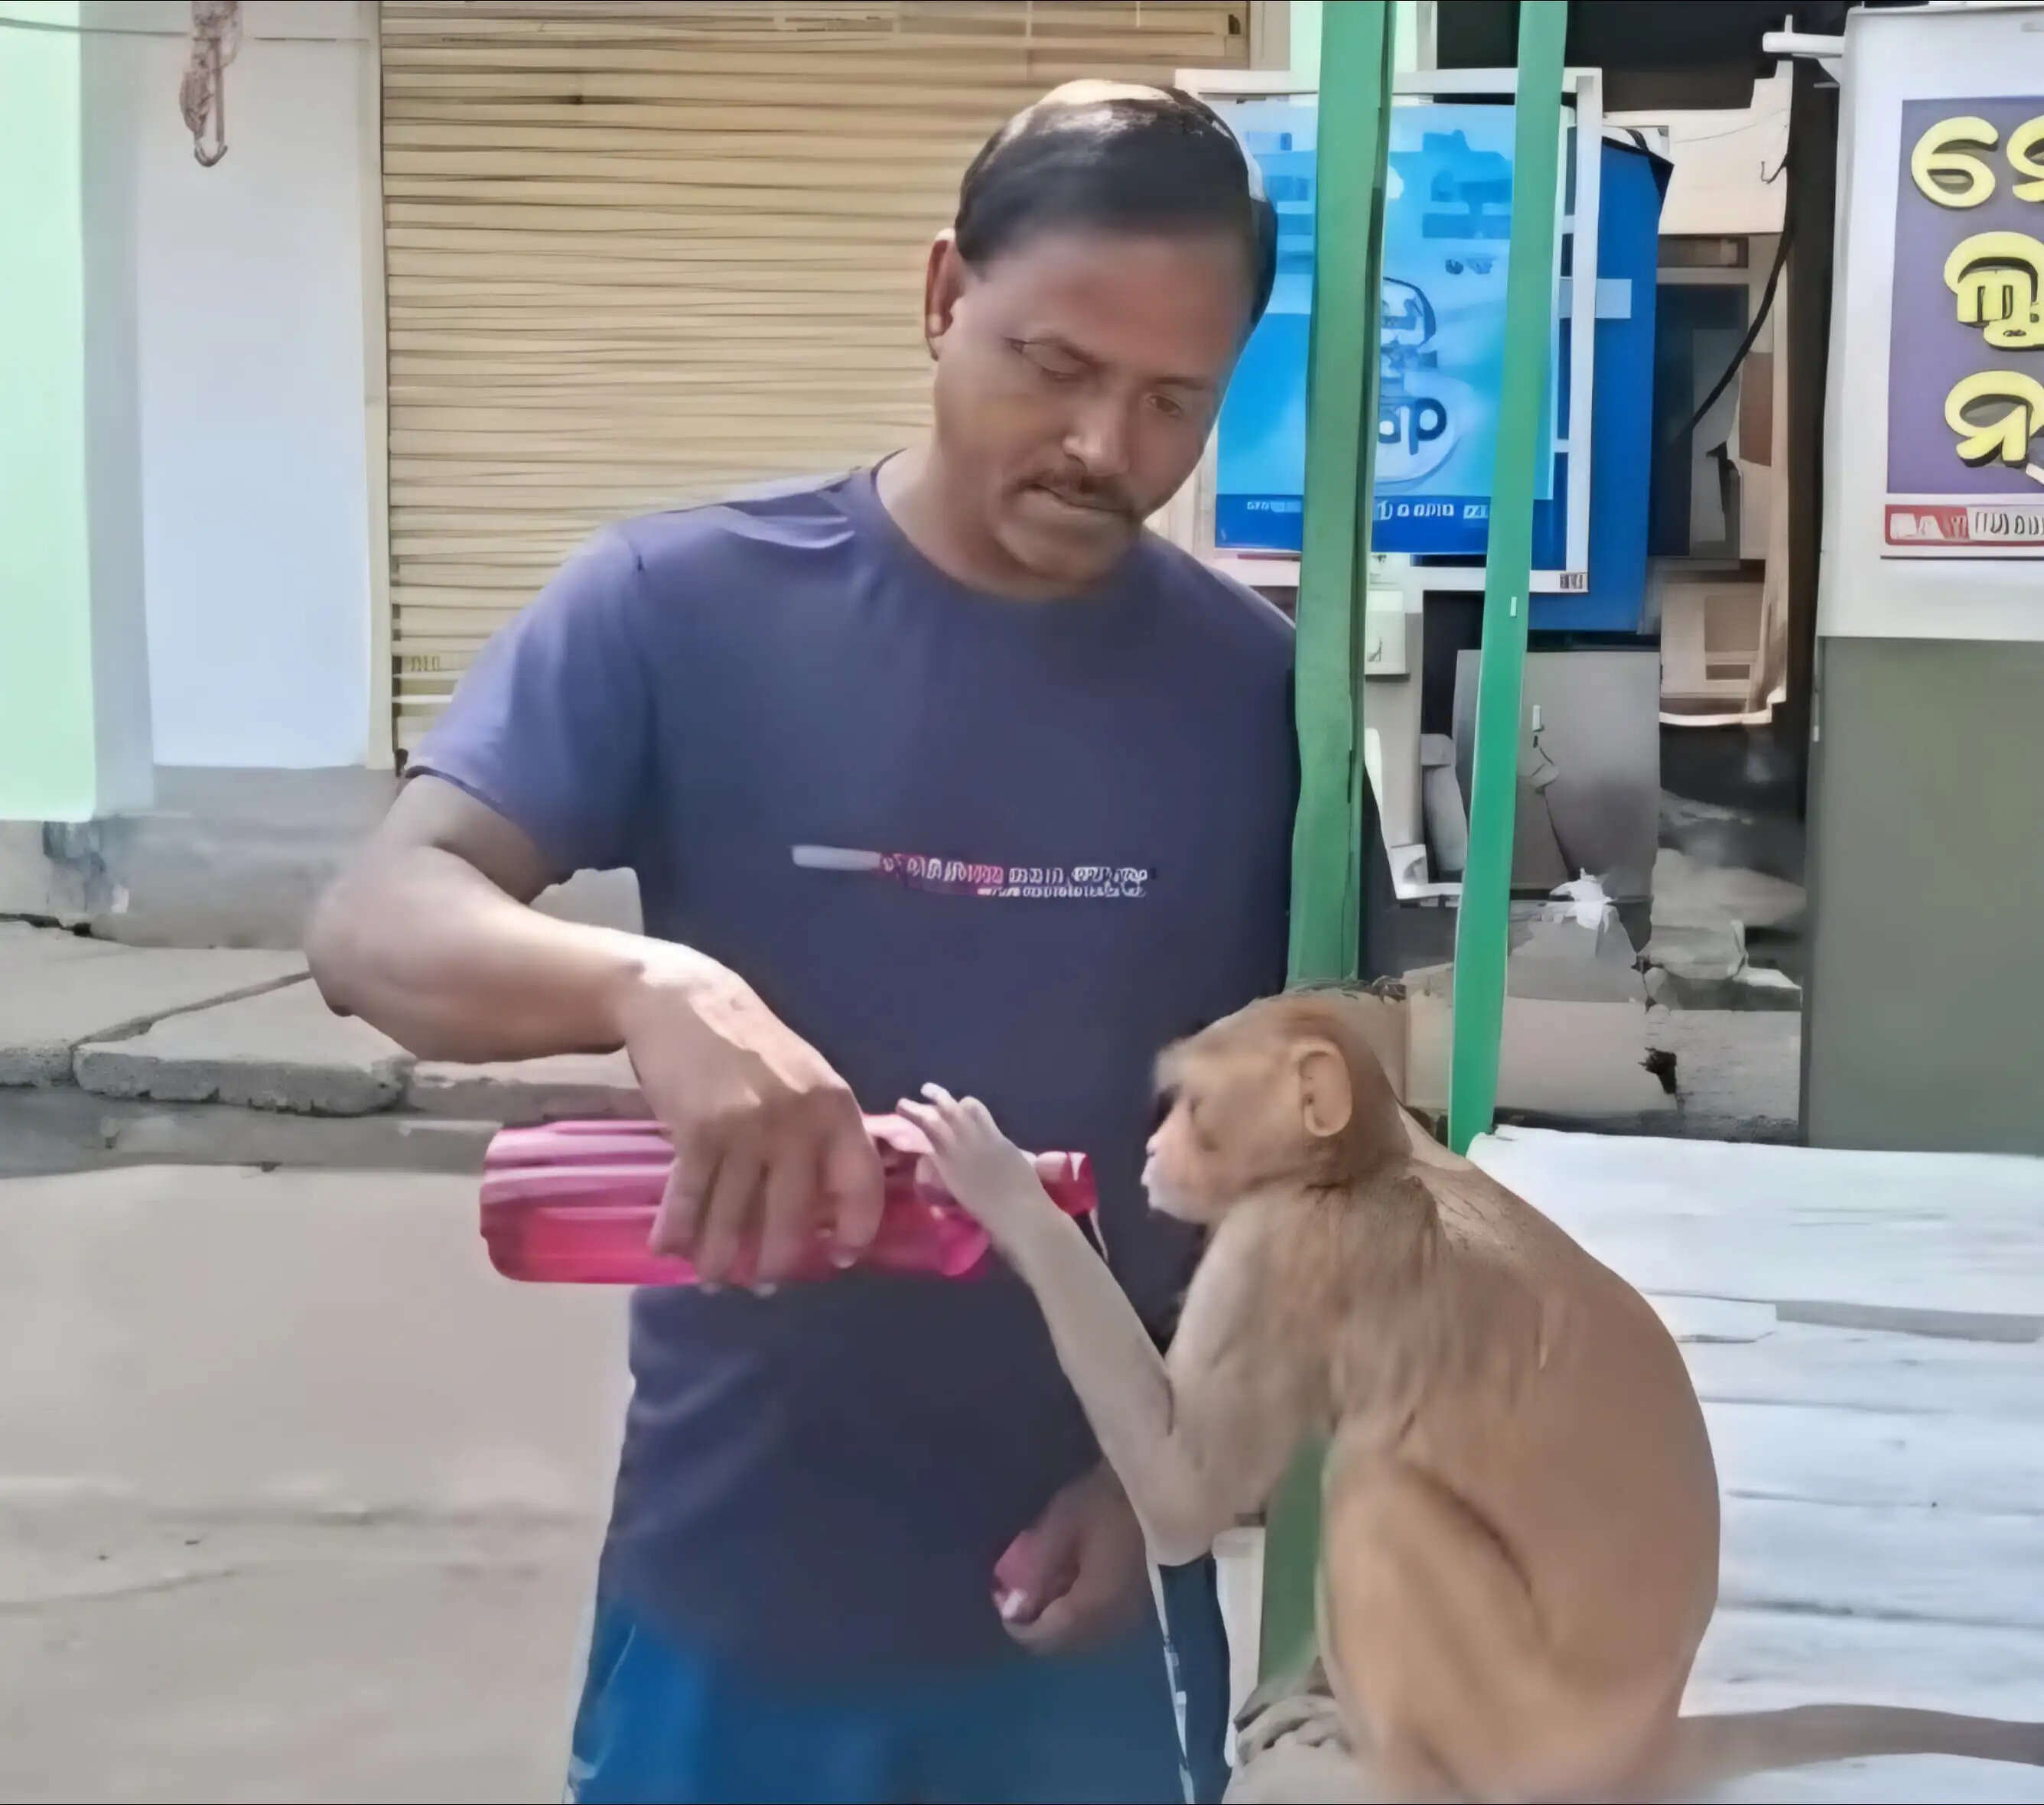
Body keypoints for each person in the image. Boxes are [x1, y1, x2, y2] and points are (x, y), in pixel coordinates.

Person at [310, 80, 1297, 1805]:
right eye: (1054, 366)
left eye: (1173, 401)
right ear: (941, 295)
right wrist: (646, 984)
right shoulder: (684, 607)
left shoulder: (1258, 697)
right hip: (737, 1581)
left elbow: (1335, 1163)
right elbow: (378, 921)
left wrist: (1180, 1463)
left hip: (1103, 1597)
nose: (1105, 448)